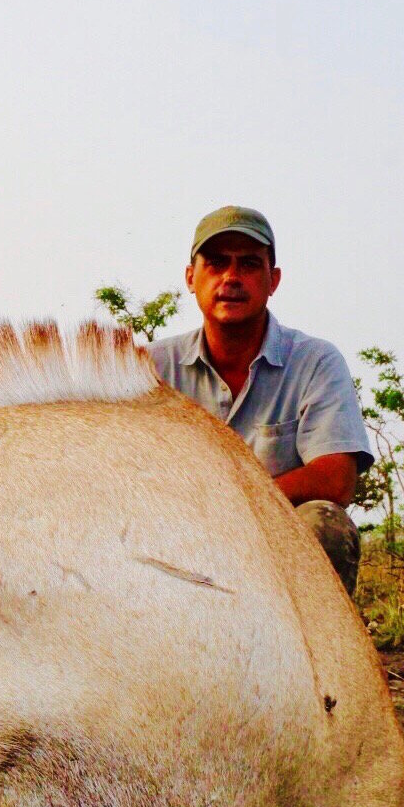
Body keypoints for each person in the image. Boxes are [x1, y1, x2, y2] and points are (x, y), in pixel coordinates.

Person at [148, 205, 371, 593]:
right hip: (172, 542)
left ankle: (315, 653)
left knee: (324, 522)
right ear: (190, 277)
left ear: (273, 280)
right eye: (216, 263)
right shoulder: (149, 367)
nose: (231, 277)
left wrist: (236, 507)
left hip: (272, 547)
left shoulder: (315, 361)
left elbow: (337, 478)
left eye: (249, 264)